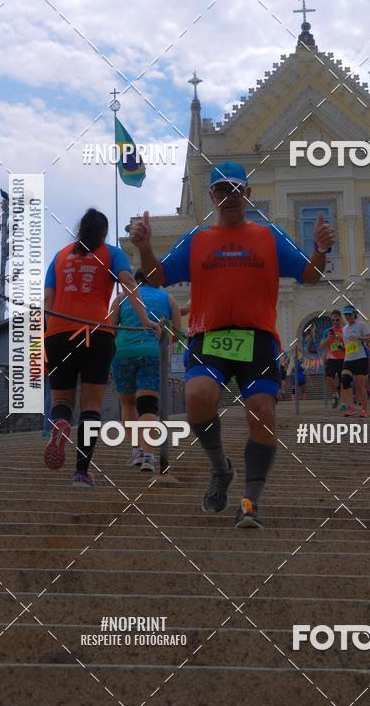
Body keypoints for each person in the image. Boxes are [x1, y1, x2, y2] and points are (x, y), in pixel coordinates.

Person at [130, 160, 334, 529]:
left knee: (262, 412)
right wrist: (144, 248)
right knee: (197, 398)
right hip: (209, 335)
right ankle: (220, 468)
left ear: (248, 194)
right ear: (211, 196)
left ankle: (250, 502)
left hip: (257, 339)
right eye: (221, 190)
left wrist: (320, 250)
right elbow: (158, 277)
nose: (229, 196)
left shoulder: (269, 236)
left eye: (236, 189)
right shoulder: (198, 240)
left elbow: (311, 275)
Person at [43, 208, 159, 486]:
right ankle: (81, 473)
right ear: (104, 232)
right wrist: (145, 320)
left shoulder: (59, 257)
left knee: (61, 400)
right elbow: (129, 284)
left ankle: (60, 423)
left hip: (59, 333)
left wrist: (50, 334)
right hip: (96, 335)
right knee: (91, 407)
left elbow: (47, 299)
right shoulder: (110, 253)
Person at [110, 271, 181, 473]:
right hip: (152, 353)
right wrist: (161, 341)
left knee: (128, 404)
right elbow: (176, 331)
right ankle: (149, 455)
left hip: (123, 353)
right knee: (148, 405)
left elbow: (110, 328)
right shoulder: (168, 298)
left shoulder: (122, 298)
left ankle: (136, 451)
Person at [341, 305, 370, 419]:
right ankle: (351, 407)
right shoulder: (344, 329)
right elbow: (347, 345)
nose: (347, 316)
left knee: (360, 386)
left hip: (360, 358)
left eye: (349, 314)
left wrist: (359, 337)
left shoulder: (361, 325)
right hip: (348, 358)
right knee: (345, 380)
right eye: (345, 314)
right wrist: (340, 346)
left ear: (354, 314)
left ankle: (365, 410)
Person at [320, 310, 345, 409]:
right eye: (333, 320)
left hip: (344, 358)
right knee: (329, 377)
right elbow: (322, 346)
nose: (335, 322)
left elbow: (351, 343)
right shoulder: (328, 331)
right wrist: (328, 339)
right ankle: (335, 394)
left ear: (341, 319)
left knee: (343, 380)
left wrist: (341, 337)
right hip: (331, 358)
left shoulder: (345, 330)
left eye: (337, 320)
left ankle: (343, 402)